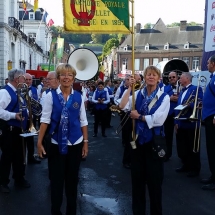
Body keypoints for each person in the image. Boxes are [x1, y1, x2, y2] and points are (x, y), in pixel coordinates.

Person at [37, 63, 88, 215]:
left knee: (72, 182)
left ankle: (71, 212)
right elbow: (45, 120)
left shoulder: (79, 95)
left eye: (70, 75)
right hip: (56, 144)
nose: (66, 77)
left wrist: (85, 142)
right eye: (63, 74)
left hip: (75, 143)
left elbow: (83, 121)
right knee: (56, 182)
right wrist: (39, 142)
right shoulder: (49, 96)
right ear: (58, 78)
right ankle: (56, 211)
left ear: (73, 78)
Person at [119, 65, 170, 215]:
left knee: (155, 184)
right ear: (145, 77)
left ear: (159, 78)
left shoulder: (163, 96)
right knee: (137, 183)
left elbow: (158, 120)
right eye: (148, 74)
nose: (151, 77)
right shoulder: (137, 94)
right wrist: (130, 87)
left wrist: (139, 117)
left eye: (154, 75)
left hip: (154, 143)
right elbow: (122, 106)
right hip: (138, 142)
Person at [0, 69, 31, 193]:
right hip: (9, 130)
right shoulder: (4, 92)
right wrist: (14, 116)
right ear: (17, 79)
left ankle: (19, 178)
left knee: (20, 156)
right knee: (7, 157)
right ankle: (3, 182)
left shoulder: (18, 92)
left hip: (19, 129)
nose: (25, 80)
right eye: (23, 77)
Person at [175, 72, 203, 177]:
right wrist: (176, 122)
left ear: (187, 78)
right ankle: (186, 165)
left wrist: (189, 104)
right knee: (183, 146)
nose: (179, 80)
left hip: (191, 123)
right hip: (181, 122)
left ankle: (195, 169)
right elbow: (178, 107)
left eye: (180, 78)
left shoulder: (196, 88)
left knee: (193, 146)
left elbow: (199, 102)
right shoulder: (182, 91)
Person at [201, 55, 215, 190]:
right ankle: (213, 176)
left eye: (209, 62)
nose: (207, 64)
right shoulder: (213, 78)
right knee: (211, 149)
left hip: (213, 118)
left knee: (213, 149)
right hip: (209, 117)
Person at [24, 73, 41, 164]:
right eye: (26, 79)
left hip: (32, 118)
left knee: (31, 139)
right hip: (22, 118)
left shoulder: (35, 90)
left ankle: (31, 157)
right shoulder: (19, 90)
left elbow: (37, 103)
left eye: (30, 80)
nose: (28, 81)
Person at [163, 71, 179, 161]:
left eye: (173, 77)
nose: (172, 79)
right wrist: (170, 98)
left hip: (180, 114)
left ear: (177, 77)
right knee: (167, 136)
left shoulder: (182, 87)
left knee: (180, 137)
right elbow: (161, 99)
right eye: (170, 78)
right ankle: (167, 154)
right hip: (168, 115)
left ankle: (183, 157)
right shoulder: (165, 88)